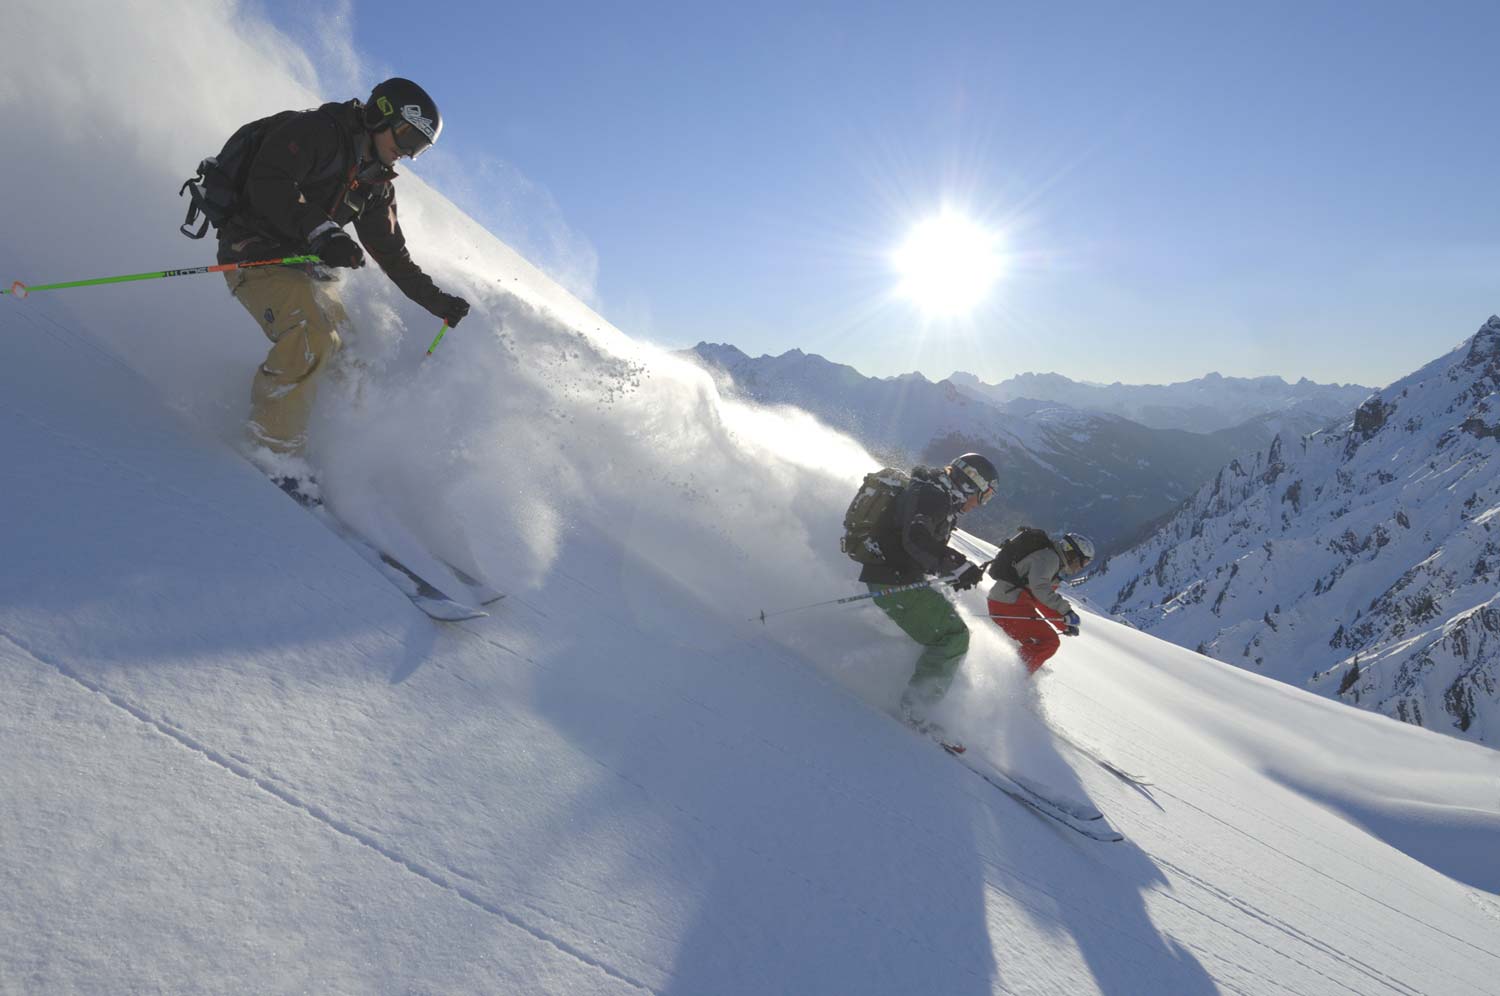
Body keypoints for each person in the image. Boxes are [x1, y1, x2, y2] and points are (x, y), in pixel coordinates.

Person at [216, 77, 470, 502]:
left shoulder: (375, 184)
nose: (407, 152)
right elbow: (269, 181)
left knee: (351, 351)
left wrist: (437, 301)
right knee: (312, 335)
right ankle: (271, 451)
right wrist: (321, 231)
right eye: (407, 136)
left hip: (304, 270)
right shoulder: (316, 133)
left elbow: (393, 256)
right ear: (379, 113)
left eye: (419, 148)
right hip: (255, 255)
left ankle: (330, 451)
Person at [854, 453, 998, 734]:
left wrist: (952, 570)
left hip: (895, 577)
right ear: (970, 484)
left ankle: (914, 700)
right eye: (985, 495)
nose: (981, 504)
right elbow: (916, 539)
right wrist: (955, 565)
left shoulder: (934, 492)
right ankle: (915, 709)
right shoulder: (935, 496)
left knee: (947, 632)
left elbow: (917, 542)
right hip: (893, 581)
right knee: (953, 637)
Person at [985, 529, 1095, 674]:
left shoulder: (1053, 563)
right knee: (1049, 642)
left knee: (1036, 643)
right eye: (1083, 562)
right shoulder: (1049, 559)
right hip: (1008, 604)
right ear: (1073, 554)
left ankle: (1008, 673)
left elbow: (1040, 600)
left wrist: (1063, 623)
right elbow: (1040, 589)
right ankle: (1012, 677)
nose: (1080, 567)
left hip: (1008, 602)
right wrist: (1065, 611)